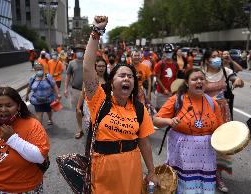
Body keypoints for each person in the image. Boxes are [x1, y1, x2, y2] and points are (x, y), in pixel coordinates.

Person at [83, 16, 158, 193]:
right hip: (103, 170)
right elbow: (87, 67)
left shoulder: (139, 109)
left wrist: (152, 172)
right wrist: (96, 32)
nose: (126, 78)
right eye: (121, 75)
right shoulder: (99, 100)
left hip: (131, 170)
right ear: (111, 81)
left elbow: (144, 143)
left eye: (130, 76)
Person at [153, 68, 224, 194]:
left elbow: (220, 129)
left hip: (206, 160)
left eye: (202, 79)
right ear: (187, 83)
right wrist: (169, 121)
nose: (199, 81)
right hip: (181, 159)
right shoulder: (176, 100)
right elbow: (156, 120)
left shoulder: (212, 103)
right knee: (183, 188)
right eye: (194, 79)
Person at [0, 86, 50, 193]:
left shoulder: (32, 125)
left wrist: (12, 139)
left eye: (9, 105)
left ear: (19, 107)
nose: (3, 109)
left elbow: (39, 157)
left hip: (24, 189)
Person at [202, 49, 244, 193]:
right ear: (207, 60)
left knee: (221, 145)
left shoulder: (225, 71)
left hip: (223, 113)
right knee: (205, 143)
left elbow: (237, 80)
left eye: (218, 57)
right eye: (213, 57)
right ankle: (204, 172)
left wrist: (238, 80)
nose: (217, 59)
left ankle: (218, 176)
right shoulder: (201, 73)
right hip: (205, 113)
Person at [64, 44, 86, 139]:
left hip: (87, 91)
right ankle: (80, 129)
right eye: (78, 51)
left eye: (81, 51)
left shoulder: (88, 62)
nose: (79, 52)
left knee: (87, 111)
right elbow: (68, 76)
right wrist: (65, 89)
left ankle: (90, 128)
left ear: (84, 52)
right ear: (75, 52)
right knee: (78, 110)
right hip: (76, 90)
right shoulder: (72, 63)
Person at [153, 43, 177, 111]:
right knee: (160, 111)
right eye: (167, 52)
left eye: (170, 52)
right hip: (161, 93)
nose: (168, 53)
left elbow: (175, 78)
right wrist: (164, 89)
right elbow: (157, 78)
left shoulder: (175, 64)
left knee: (171, 111)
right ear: (164, 52)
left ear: (173, 52)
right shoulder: (160, 64)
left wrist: (175, 90)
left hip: (172, 93)